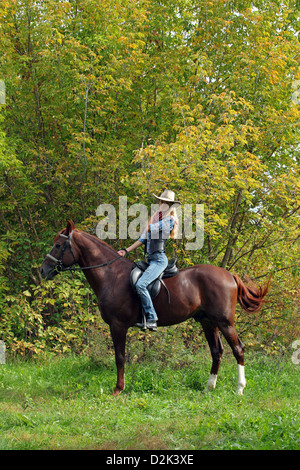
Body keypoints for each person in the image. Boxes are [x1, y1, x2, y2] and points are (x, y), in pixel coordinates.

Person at [118, 189, 180, 331]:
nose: (163, 204)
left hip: (159, 260)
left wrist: (153, 218)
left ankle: (152, 318)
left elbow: (149, 229)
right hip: (151, 258)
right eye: (162, 201)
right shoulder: (158, 218)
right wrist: (126, 250)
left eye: (167, 203)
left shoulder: (169, 220)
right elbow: (143, 239)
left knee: (141, 285)